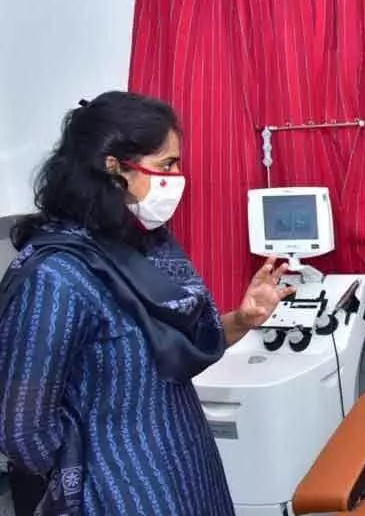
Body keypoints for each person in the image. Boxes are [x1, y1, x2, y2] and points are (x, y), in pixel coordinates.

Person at [0, 91, 294, 515]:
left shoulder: (147, 246)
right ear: (113, 168)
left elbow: (181, 351)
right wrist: (89, 469)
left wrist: (243, 319)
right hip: (121, 494)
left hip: (189, 472)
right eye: (166, 165)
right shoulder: (56, 276)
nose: (177, 178)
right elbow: (21, 429)